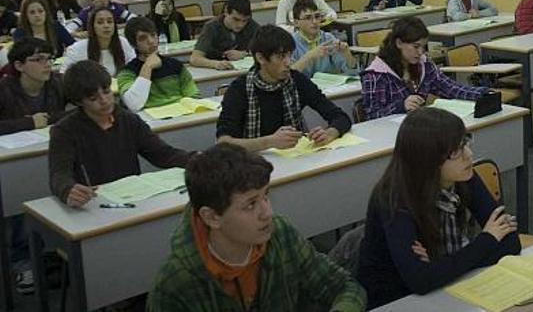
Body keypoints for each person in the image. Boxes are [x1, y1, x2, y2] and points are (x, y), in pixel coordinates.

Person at [146, 143, 366, 312]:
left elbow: (345, 287)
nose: (267, 213)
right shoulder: (175, 285)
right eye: (251, 204)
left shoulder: (280, 234)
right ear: (212, 217)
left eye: (266, 196)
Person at [357, 108, 520, 308]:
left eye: (466, 142)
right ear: (428, 160)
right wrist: (486, 241)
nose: (469, 154)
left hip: (449, 286)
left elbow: (511, 242)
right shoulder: (394, 199)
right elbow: (420, 281)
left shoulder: (463, 176)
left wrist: (441, 266)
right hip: (394, 298)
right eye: (456, 151)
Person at [49, 60, 194, 208]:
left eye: (106, 91)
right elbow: (59, 174)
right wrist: (67, 190)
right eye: (93, 98)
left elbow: (163, 154)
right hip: (93, 201)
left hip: (134, 199)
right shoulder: (64, 131)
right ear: (79, 101)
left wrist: (199, 160)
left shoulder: (128, 120)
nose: (104, 100)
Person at [216, 24, 352, 152]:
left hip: (295, 158)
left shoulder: (296, 80)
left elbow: (340, 117)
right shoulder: (239, 89)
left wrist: (329, 133)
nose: (288, 62)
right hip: (252, 163)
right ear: (261, 58)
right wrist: (269, 142)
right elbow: (223, 143)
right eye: (281, 56)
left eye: (289, 55)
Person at [361, 17, 488, 120]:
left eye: (423, 47)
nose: (421, 52)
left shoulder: (424, 64)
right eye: (416, 46)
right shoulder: (376, 74)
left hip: (420, 128)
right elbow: (371, 116)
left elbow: (449, 88)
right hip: (392, 135)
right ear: (399, 43)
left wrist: (483, 94)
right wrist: (401, 105)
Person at [118, 17, 199, 112]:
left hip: (181, 115)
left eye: (153, 35)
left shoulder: (176, 65)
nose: (151, 41)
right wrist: (147, 67)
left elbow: (194, 96)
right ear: (133, 44)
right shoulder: (127, 73)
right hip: (151, 121)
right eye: (143, 38)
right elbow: (134, 105)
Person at [0, 38, 67, 135]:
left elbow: (84, 109)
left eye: (49, 58)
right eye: (39, 59)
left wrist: (48, 119)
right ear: (19, 66)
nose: (48, 64)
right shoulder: (4, 89)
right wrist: (29, 122)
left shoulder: (58, 82)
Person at [290, 0, 358, 78]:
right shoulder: (290, 43)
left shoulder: (328, 38)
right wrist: (309, 56)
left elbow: (353, 74)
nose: (315, 21)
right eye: (308, 18)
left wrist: (347, 54)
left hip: (327, 87)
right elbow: (288, 76)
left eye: (317, 16)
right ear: (296, 22)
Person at [190, 0, 259, 70]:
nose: (240, 25)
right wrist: (216, 64)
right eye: (236, 19)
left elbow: (265, 51)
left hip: (240, 69)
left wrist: (244, 54)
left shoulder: (251, 25)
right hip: (214, 70)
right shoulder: (211, 27)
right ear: (226, 12)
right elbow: (194, 59)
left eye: (244, 21)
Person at [61, 7, 136, 76]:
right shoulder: (76, 49)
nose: (106, 25)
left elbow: (134, 69)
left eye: (109, 22)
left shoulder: (124, 43)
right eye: (100, 22)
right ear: (92, 27)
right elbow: (64, 77)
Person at [65, 0, 136, 35]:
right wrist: (76, 33)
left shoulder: (115, 7)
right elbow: (69, 28)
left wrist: (120, 26)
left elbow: (134, 19)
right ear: (92, 1)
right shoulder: (86, 12)